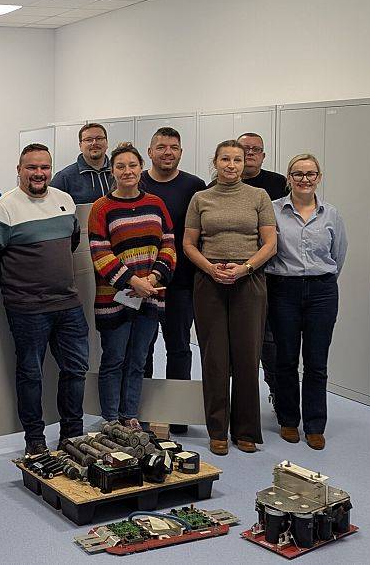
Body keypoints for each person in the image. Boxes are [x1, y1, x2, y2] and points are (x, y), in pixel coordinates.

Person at [0, 143, 88, 457]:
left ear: (51, 169)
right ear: (19, 170)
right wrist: (17, 282)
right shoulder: (5, 207)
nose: (39, 173)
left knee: (75, 371)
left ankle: (72, 436)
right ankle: (35, 439)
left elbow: (72, 240)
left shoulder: (64, 201)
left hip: (68, 304)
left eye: (44, 167)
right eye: (31, 167)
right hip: (27, 309)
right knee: (31, 375)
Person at [182, 139, 277, 456]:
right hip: (209, 281)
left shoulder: (259, 196)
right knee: (215, 358)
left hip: (249, 280)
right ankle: (217, 430)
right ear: (216, 162)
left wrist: (244, 268)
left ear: (244, 163)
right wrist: (211, 269)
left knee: (248, 356)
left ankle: (246, 431)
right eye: (225, 159)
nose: (231, 165)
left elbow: (270, 244)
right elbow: (189, 244)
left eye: (237, 159)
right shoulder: (201, 198)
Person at [88, 143, 176, 431]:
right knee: (114, 359)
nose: (127, 171)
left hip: (150, 295)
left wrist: (152, 279)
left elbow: (168, 244)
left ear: (141, 168)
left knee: (139, 359)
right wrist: (132, 281)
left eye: (132, 165)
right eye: (120, 166)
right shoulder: (102, 208)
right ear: (112, 171)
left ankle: (130, 415)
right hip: (114, 298)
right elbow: (100, 252)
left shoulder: (156, 204)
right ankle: (112, 420)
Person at [265, 154, 347, 451]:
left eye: (310, 174)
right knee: (285, 358)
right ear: (289, 178)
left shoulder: (331, 214)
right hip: (283, 289)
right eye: (298, 174)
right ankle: (288, 420)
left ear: (319, 177)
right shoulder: (273, 210)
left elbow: (338, 254)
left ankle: (314, 425)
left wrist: (319, 279)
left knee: (316, 361)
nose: (304, 179)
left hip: (322, 291)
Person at [138, 127, 207, 435]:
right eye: (161, 147)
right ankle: (142, 413)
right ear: (150, 152)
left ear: (181, 152)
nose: (168, 152)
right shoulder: (137, 182)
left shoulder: (195, 187)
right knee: (143, 349)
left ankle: (177, 416)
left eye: (174, 147)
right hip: (142, 283)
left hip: (181, 283)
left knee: (179, 348)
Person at [235, 132, 289, 404]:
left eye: (255, 149)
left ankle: (278, 395)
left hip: (271, 274)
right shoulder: (217, 187)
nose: (250, 153)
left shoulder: (278, 184)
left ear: (263, 155)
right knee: (237, 344)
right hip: (234, 276)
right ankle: (238, 403)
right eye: (244, 148)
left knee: (270, 342)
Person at [50, 122, 114, 204]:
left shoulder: (119, 173)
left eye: (99, 138)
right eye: (88, 140)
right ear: (80, 145)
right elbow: (51, 205)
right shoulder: (64, 177)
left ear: (107, 143)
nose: (94, 143)